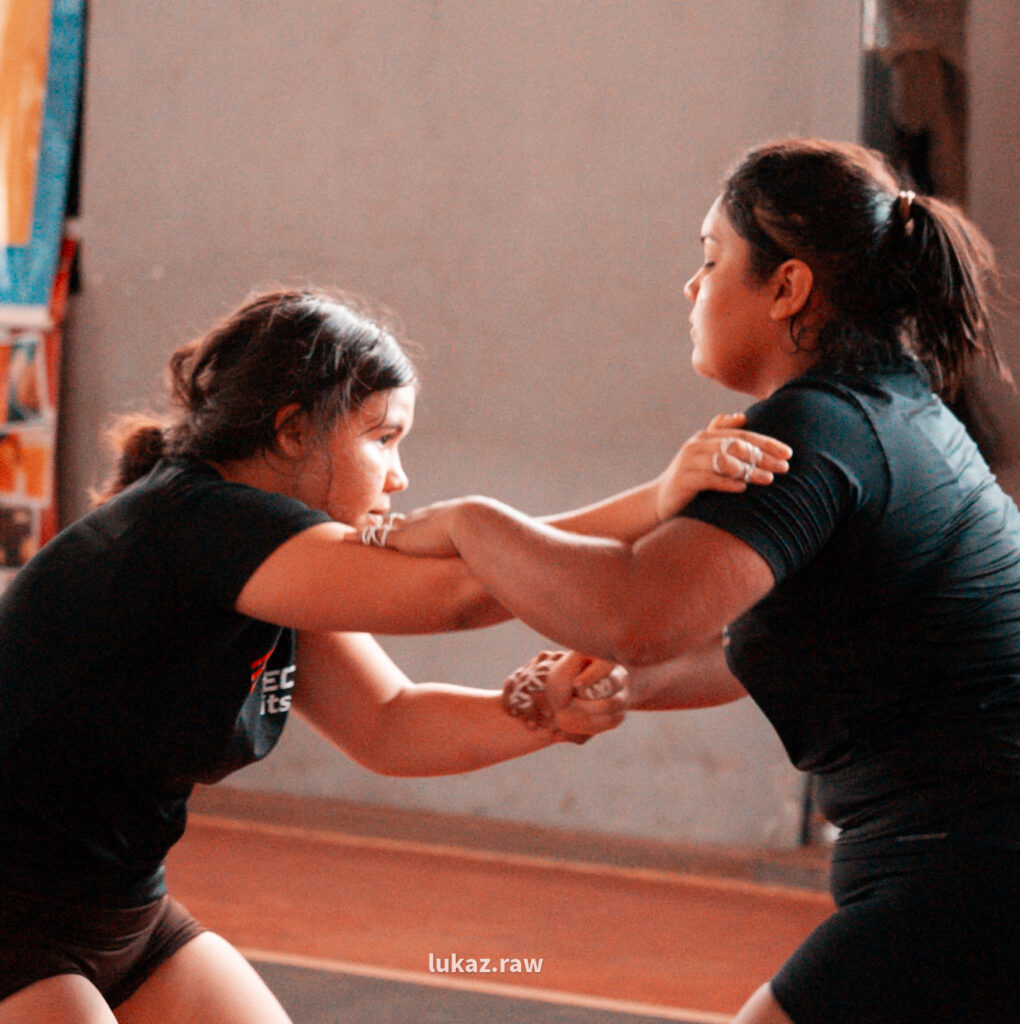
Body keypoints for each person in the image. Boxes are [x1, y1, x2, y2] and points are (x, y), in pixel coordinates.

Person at [0, 287, 790, 1023]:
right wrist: (657, 502)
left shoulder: (274, 571)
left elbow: (389, 723)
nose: (400, 475)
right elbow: (458, 594)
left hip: (125, 911)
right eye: (382, 439)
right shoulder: (201, 522)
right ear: (292, 429)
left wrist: (540, 715)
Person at [382, 139, 1020, 1024]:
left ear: (787, 289)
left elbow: (636, 614)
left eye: (711, 259)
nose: (692, 287)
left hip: (971, 867)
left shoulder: (820, 424)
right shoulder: (895, 405)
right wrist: (620, 684)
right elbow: (736, 647)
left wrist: (469, 522)